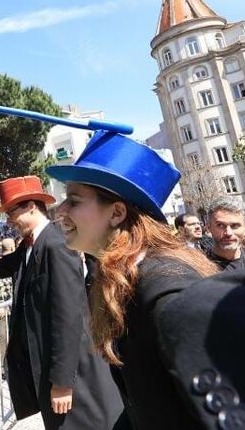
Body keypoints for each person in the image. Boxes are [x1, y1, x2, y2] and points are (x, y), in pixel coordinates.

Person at [44, 132, 217, 429]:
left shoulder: (167, 290)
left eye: (73, 200)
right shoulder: (119, 280)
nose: (60, 211)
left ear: (117, 213)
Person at [0, 176, 124, 430]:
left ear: (32, 206)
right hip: (50, 371)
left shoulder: (56, 245)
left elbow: (69, 316)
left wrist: (63, 382)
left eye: (12, 211)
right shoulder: (31, 244)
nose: (9, 219)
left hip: (72, 376)